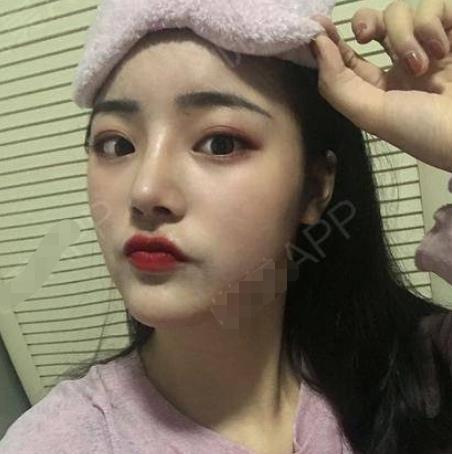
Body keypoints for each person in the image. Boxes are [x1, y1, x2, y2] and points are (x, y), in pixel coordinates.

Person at [1, 1, 452, 453]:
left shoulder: (423, 371)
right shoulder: (57, 442)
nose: (145, 190)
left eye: (219, 143)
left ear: (314, 188)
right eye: (116, 144)